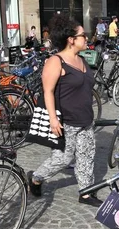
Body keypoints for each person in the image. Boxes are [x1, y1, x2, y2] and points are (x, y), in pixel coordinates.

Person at [27, 15, 100, 206]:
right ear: (71, 39)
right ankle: (35, 178)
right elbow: (48, 92)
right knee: (62, 159)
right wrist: (53, 119)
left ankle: (85, 193)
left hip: (85, 119)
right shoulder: (56, 61)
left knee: (86, 156)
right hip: (65, 121)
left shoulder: (82, 60)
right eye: (83, 35)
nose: (87, 38)